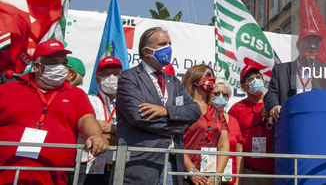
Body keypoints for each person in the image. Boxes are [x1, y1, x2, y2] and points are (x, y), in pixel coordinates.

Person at [0, 39, 109, 185]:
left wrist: (95, 135)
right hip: (6, 178)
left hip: (56, 180)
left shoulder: (76, 94)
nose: (61, 67)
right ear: (37, 67)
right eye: (53, 63)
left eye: (64, 63)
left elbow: (86, 119)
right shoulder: (7, 90)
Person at [116, 27, 201, 185]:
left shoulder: (174, 82)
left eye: (169, 43)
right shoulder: (129, 78)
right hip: (142, 164)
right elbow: (140, 117)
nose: (168, 48)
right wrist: (179, 128)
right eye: (162, 44)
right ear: (146, 51)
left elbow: (194, 110)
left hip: (172, 164)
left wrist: (167, 111)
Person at [265, 28, 326, 122]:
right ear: (297, 45)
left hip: (318, 124)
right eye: (308, 42)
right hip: (290, 123)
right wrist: (274, 106)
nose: (313, 46)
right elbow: (271, 94)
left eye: (316, 43)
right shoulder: (281, 70)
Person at [76, 56, 123, 185]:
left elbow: (132, 134)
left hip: (118, 167)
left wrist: (112, 128)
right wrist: (116, 134)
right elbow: (84, 132)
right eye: (107, 74)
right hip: (87, 167)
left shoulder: (128, 105)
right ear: (98, 79)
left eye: (116, 73)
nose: (112, 77)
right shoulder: (87, 100)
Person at [182, 65, 230, 185]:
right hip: (185, 175)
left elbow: (224, 146)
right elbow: (176, 143)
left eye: (213, 75)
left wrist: (217, 176)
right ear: (195, 79)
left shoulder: (218, 112)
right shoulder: (182, 108)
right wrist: (191, 170)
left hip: (210, 178)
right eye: (208, 75)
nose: (212, 78)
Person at [229, 66, 274, 185]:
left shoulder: (274, 105)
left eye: (258, 77)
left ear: (263, 81)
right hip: (249, 173)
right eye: (250, 78)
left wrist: (271, 117)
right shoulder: (236, 109)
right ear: (243, 86)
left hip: (276, 173)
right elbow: (231, 145)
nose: (256, 80)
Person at [210, 78, 244, 185]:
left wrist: (238, 181)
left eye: (224, 94)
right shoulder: (202, 119)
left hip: (230, 179)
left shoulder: (233, 121)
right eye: (216, 93)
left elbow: (239, 154)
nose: (221, 97)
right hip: (208, 178)